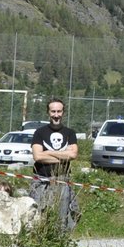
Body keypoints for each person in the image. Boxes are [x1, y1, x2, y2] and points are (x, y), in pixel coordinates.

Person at [29, 100, 79, 234]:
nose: (56, 115)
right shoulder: (39, 133)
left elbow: (73, 155)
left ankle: (59, 241)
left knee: (62, 215)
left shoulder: (70, 133)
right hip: (41, 180)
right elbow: (37, 157)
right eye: (53, 111)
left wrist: (49, 152)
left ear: (63, 112)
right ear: (48, 113)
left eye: (59, 111)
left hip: (62, 179)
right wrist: (63, 156)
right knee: (38, 213)